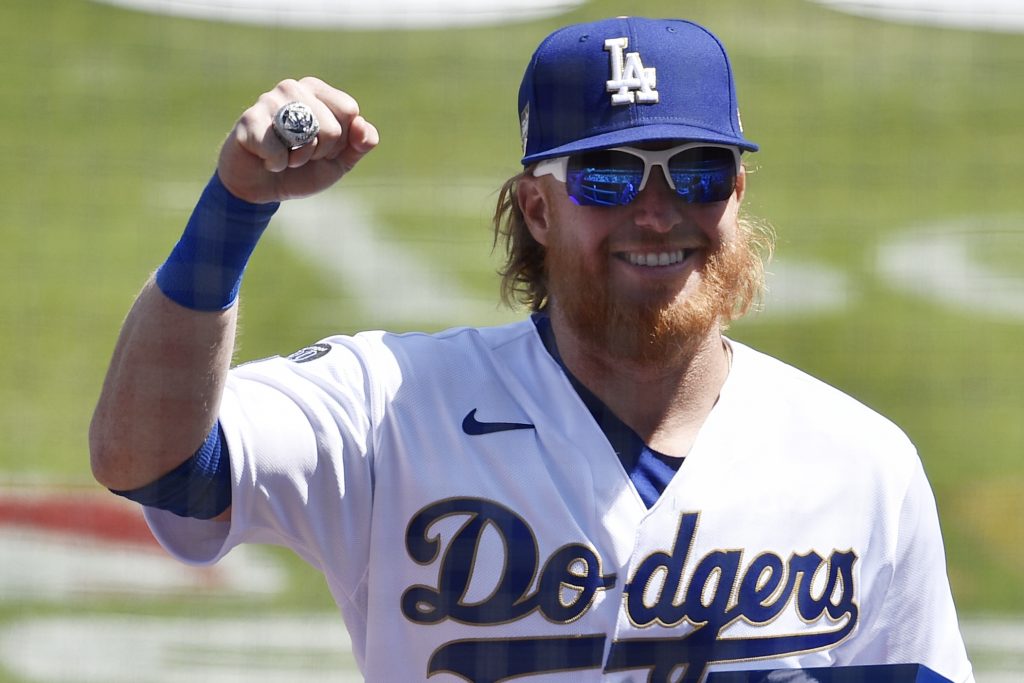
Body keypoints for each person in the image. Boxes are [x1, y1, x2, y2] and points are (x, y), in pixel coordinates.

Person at [89, 16, 975, 683]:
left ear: (737, 195)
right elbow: (151, 461)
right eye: (610, 176)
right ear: (539, 209)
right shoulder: (391, 408)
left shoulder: (860, 463)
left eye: (697, 173)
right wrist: (236, 203)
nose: (658, 211)